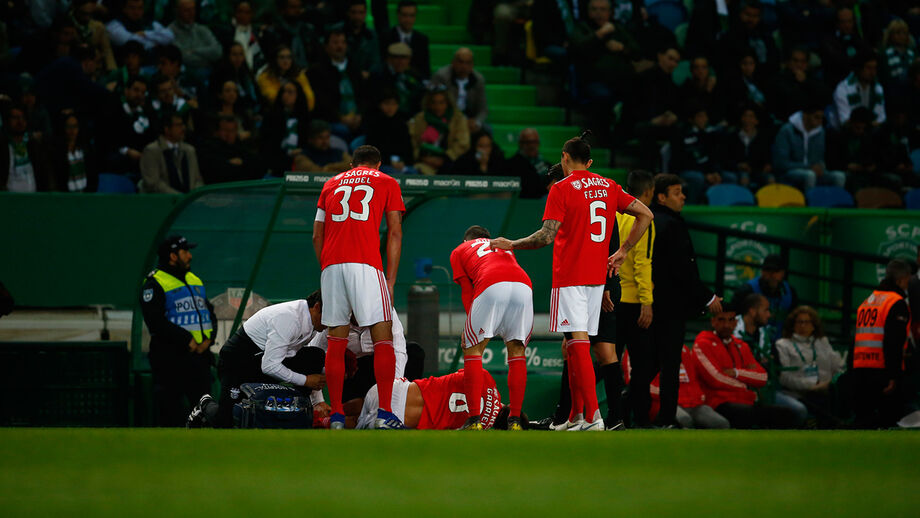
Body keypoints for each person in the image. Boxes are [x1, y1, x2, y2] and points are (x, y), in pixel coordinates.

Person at [490, 134, 654, 431]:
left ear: (564, 157)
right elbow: (646, 214)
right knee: (576, 347)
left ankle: (594, 417)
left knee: (577, 346)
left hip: (571, 277)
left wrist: (510, 244)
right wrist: (623, 252)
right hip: (596, 279)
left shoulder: (562, 188)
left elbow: (546, 236)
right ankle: (577, 415)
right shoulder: (608, 185)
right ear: (588, 161)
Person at [313, 145, 405, 429]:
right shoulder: (386, 181)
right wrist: (390, 279)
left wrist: (327, 268)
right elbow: (395, 231)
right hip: (365, 264)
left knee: (336, 342)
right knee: (383, 337)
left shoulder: (330, 184)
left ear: (352, 164)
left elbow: (317, 235)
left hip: (332, 266)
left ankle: (337, 415)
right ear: (377, 165)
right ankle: (385, 414)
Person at [646, 173, 723, 427]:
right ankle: (666, 418)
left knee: (651, 362)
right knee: (668, 363)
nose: (683, 197)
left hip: (648, 302)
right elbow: (682, 268)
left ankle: (628, 407)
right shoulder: (671, 224)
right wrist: (706, 296)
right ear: (661, 196)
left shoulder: (651, 220)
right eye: (677, 192)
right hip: (669, 307)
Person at [191, 293, 328, 428]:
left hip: (264, 360)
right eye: (328, 317)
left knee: (315, 356)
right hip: (236, 364)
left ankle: (298, 409)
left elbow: (299, 359)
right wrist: (306, 380)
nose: (330, 323)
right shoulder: (289, 318)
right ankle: (206, 404)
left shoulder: (313, 321)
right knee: (225, 422)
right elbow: (270, 366)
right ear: (316, 307)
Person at [449, 225, 533, 430]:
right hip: (523, 285)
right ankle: (514, 420)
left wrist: (471, 325)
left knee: (473, 349)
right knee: (517, 351)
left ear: (465, 241)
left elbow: (467, 291)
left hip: (490, 283)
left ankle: (474, 420)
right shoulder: (503, 245)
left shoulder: (460, 251)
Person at [140, 235, 215, 426]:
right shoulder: (154, 282)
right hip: (170, 357)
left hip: (199, 356)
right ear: (173, 256)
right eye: (185, 252)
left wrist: (208, 339)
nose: (190, 256)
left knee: (204, 407)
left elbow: (209, 312)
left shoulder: (194, 279)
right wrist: (186, 339)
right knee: (170, 407)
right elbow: (155, 321)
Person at [693, 305, 802, 429]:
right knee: (756, 414)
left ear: (736, 322)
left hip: (745, 400)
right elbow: (715, 380)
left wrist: (736, 373)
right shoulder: (702, 344)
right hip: (718, 402)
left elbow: (762, 377)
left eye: (731, 320)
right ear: (713, 322)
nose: (726, 325)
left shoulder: (741, 346)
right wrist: (745, 385)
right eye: (721, 320)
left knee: (787, 413)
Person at [306, 309, 410, 422]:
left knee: (414, 352)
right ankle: (338, 414)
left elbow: (398, 350)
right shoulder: (336, 312)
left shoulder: (383, 308)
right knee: (354, 411)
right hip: (351, 370)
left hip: (377, 367)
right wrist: (318, 401)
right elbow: (314, 356)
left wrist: (395, 390)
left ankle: (402, 406)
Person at [614, 170, 656, 427]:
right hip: (634, 302)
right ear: (649, 192)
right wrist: (647, 301)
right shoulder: (643, 219)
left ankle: (614, 415)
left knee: (610, 359)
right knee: (643, 364)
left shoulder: (616, 215)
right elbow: (642, 262)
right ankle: (639, 417)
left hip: (613, 298)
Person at [851, 259, 912, 429]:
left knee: (863, 421)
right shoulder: (896, 303)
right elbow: (893, 341)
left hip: (861, 367)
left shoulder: (868, 301)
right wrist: (893, 375)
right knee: (888, 422)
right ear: (902, 279)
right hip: (882, 369)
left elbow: (856, 338)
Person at [622, 346, 730, 429]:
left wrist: (697, 397)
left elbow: (692, 380)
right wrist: (669, 396)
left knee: (721, 424)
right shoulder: (638, 349)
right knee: (684, 419)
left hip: (692, 403)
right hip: (661, 403)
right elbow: (635, 382)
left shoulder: (683, 350)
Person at [356, 369, 502, 430]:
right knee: (357, 426)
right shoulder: (480, 428)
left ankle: (336, 413)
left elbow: (464, 370)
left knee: (364, 403)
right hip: (398, 421)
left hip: (392, 391)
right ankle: (333, 422)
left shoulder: (486, 378)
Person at [775, 305, 845, 427]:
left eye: (807, 322)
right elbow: (784, 378)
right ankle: (838, 424)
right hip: (798, 393)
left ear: (814, 325)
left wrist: (830, 382)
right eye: (799, 322)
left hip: (825, 389)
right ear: (792, 325)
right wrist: (812, 387)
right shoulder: (783, 345)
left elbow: (838, 367)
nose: (803, 326)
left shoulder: (822, 342)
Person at [772, 103, 847, 190]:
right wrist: (809, 167)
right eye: (816, 117)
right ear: (805, 115)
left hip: (813, 172)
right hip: (788, 173)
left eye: (821, 118)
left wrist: (821, 167)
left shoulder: (820, 132)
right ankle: (809, 202)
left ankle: (835, 203)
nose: (820, 121)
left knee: (839, 176)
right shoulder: (787, 131)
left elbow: (819, 159)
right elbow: (781, 164)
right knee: (809, 175)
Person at [309, 28, 366, 141]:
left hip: (357, 118)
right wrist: (341, 118)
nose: (340, 46)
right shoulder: (316, 71)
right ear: (326, 46)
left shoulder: (354, 68)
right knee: (342, 131)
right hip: (331, 120)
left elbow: (364, 95)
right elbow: (321, 101)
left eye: (343, 42)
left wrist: (360, 115)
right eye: (335, 43)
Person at [99, 76, 154, 176]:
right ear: (126, 91)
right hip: (117, 153)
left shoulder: (146, 112)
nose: (139, 95)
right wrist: (127, 151)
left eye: (143, 92)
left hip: (140, 154)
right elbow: (107, 138)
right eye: (136, 90)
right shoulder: (113, 108)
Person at [732, 254, 799, 336]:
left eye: (776, 271)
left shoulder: (790, 292)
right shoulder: (747, 290)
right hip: (751, 339)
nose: (772, 275)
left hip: (781, 342)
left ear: (783, 273)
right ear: (762, 272)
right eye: (768, 270)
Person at [408, 87, 470, 175]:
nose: (438, 107)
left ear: (448, 103)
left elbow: (463, 143)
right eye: (434, 102)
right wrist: (423, 158)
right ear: (428, 103)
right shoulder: (420, 119)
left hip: (451, 161)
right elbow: (413, 142)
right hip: (424, 162)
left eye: (441, 103)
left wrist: (445, 158)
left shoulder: (458, 119)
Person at [140, 111, 203, 193]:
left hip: (189, 201)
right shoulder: (151, 151)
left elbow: (197, 179)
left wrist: (193, 196)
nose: (183, 128)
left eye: (183, 125)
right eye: (179, 125)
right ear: (167, 129)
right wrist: (179, 197)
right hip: (163, 201)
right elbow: (153, 183)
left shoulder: (189, 150)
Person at [431, 48, 488, 134]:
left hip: (469, 120)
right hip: (446, 118)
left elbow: (483, 109)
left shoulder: (478, 80)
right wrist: (460, 122)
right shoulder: (441, 77)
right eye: (460, 62)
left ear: (472, 65)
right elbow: (434, 104)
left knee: (487, 130)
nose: (464, 66)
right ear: (453, 62)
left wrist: (476, 122)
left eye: (468, 63)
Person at [259, 81, 311, 176]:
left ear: (298, 95)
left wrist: (302, 151)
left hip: (300, 157)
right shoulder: (271, 116)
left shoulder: (305, 117)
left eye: (290, 92)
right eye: (283, 92)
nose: (285, 95)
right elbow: (267, 143)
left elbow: (309, 142)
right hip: (277, 157)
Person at [1, 104, 55, 192]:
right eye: (15, 117)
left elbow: (43, 173)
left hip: (33, 199)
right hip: (8, 200)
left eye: (22, 117)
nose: (20, 121)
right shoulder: (3, 146)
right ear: (7, 121)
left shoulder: (33, 145)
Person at [364, 89, 417, 175]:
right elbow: (372, 152)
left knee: (414, 173)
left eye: (394, 104)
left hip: (402, 165)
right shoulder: (374, 124)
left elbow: (408, 149)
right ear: (380, 105)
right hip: (382, 165)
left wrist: (403, 161)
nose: (390, 107)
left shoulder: (402, 123)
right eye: (387, 103)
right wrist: (389, 161)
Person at [721, 104, 773, 188]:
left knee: (770, 179)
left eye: (751, 116)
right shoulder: (732, 136)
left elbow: (767, 158)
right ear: (741, 118)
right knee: (744, 178)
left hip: (758, 170)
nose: (747, 119)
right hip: (738, 171)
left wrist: (767, 165)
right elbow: (725, 159)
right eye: (745, 116)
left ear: (756, 121)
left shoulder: (763, 138)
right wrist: (739, 165)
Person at [197, 115, 260, 184]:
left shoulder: (240, 145)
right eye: (225, 130)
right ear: (217, 132)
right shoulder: (208, 147)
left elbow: (255, 164)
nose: (229, 134)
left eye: (232, 131)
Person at [368, 42, 423, 121]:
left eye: (404, 58)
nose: (401, 62)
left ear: (409, 60)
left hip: (410, 117)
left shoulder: (414, 75)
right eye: (396, 58)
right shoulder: (378, 75)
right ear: (389, 59)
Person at [820, 7, 871, 88]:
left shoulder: (859, 39)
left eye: (849, 21)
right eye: (843, 22)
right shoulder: (829, 42)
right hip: (838, 83)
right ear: (837, 23)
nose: (847, 25)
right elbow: (839, 63)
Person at [832, 52, 886, 128]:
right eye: (868, 68)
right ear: (858, 68)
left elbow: (881, 117)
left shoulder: (878, 88)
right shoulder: (843, 89)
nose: (872, 72)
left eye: (874, 68)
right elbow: (844, 121)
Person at [256, 45, 315, 110]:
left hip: (300, 111)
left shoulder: (299, 75)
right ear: (275, 59)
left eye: (289, 57)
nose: (286, 61)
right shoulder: (265, 77)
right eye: (282, 57)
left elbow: (309, 97)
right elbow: (272, 98)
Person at [168, 0, 221, 72]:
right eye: (187, 10)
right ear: (178, 11)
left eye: (193, 9)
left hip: (207, 71)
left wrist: (194, 51)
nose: (191, 13)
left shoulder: (202, 29)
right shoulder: (169, 32)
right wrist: (206, 57)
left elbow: (217, 51)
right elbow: (181, 57)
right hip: (183, 72)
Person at [382, 0, 430, 79]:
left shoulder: (422, 40)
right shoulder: (386, 37)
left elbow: (425, 70)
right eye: (404, 15)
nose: (408, 19)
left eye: (411, 16)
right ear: (398, 15)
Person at [52, 111, 98, 193]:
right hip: (67, 198)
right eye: (68, 126)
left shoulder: (86, 149)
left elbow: (93, 175)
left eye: (75, 126)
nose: (72, 130)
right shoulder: (58, 152)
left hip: (86, 196)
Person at [106, 0, 174, 53]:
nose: (136, 12)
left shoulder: (149, 22)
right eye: (132, 8)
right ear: (124, 9)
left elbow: (169, 36)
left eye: (140, 8)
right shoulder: (114, 25)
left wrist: (145, 34)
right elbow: (130, 42)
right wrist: (157, 42)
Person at [505, 128, 553, 199]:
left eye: (535, 142)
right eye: (528, 142)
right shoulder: (510, 165)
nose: (532, 146)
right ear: (520, 144)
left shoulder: (546, 165)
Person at [71, 0, 116, 72]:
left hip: (94, 68)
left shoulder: (98, 27)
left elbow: (107, 51)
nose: (87, 18)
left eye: (90, 14)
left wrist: (112, 71)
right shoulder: (67, 24)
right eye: (83, 14)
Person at [733, 293, 775, 369]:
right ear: (752, 311)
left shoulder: (764, 334)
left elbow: (765, 358)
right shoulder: (730, 327)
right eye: (766, 310)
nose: (769, 315)